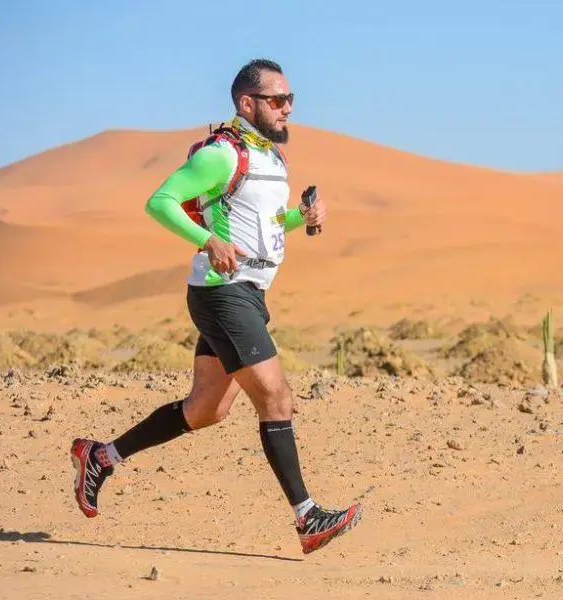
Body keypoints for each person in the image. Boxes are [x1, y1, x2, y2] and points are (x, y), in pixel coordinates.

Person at [70, 58, 361, 555]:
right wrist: (206, 240)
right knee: (276, 397)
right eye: (276, 100)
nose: (286, 107)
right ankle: (308, 518)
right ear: (247, 103)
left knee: (206, 409)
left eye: (290, 99)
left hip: (250, 293)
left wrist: (302, 215)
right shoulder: (222, 154)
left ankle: (101, 456)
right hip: (223, 292)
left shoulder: (270, 157)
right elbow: (160, 201)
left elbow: (265, 225)